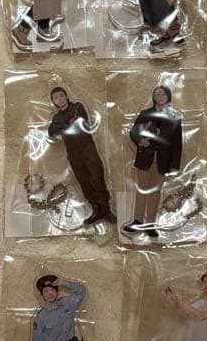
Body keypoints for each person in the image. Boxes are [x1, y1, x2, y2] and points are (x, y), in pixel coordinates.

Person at [46, 86, 115, 226]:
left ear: (66, 96)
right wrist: (67, 125)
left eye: (61, 95)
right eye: (56, 97)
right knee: (84, 181)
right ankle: (96, 210)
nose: (59, 99)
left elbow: (79, 123)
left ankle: (106, 210)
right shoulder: (56, 117)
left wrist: (63, 127)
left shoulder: (77, 106)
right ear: (53, 101)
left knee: (97, 177)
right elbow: (51, 132)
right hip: (73, 154)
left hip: (88, 148)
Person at [123, 85, 183, 238]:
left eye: (163, 94)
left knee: (155, 192)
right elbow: (134, 131)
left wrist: (175, 165)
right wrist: (140, 141)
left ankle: (150, 223)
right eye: (158, 94)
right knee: (142, 189)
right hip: (145, 157)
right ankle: (137, 220)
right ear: (154, 97)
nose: (160, 96)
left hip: (163, 159)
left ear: (168, 97)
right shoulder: (145, 113)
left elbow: (177, 144)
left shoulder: (174, 117)